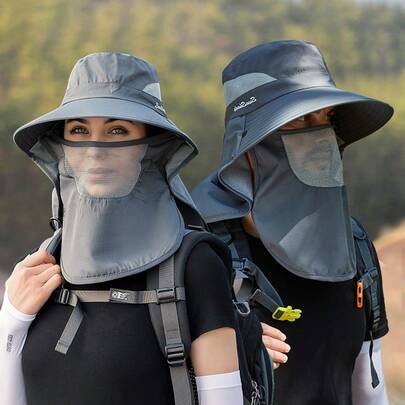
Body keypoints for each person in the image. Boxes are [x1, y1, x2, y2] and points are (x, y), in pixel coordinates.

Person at [0, 52, 243, 405]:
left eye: (118, 131)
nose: (95, 150)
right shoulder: (41, 265)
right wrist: (12, 318)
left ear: (150, 146)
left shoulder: (194, 265)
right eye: (79, 130)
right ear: (62, 147)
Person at [192, 40, 393, 405]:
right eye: (300, 120)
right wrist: (222, 357)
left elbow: (370, 390)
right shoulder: (198, 252)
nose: (321, 137)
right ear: (250, 143)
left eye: (326, 118)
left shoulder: (354, 245)